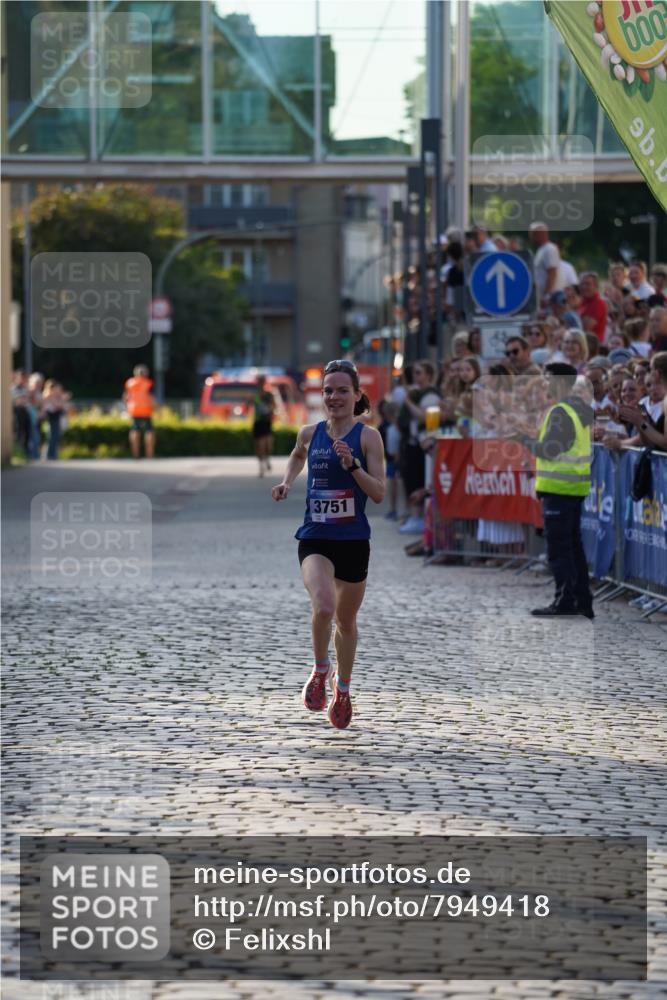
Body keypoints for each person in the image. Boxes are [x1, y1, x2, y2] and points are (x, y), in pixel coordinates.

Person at [271, 359, 385, 730]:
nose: (334, 397)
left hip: (353, 540)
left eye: (342, 390)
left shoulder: (368, 437)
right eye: (328, 390)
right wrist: (287, 481)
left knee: (346, 621)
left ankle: (344, 688)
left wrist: (353, 466)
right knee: (323, 605)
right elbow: (297, 454)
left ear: (356, 395)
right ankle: (321, 670)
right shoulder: (310, 432)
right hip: (315, 537)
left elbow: (380, 494)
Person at [522, 363, 594, 619]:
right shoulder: (579, 409)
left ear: (562, 383)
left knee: (560, 549)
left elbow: (549, 450)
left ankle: (565, 600)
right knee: (573, 547)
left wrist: (524, 440)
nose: (544, 384)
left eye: (548, 379)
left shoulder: (561, 411)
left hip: (559, 489)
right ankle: (582, 601)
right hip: (573, 487)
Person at [123, 364, 155, 459]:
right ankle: (150, 455)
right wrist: (157, 408)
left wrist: (127, 407)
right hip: (146, 410)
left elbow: (126, 397)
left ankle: (135, 455)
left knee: (134, 431)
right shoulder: (148, 383)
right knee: (149, 432)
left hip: (134, 410)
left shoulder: (129, 383)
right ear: (145, 374)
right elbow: (152, 398)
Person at [529, 222, 563, 304]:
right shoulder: (541, 250)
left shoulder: (549, 249)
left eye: (533, 234)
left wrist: (547, 296)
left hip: (550, 300)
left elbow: (552, 273)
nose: (531, 237)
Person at [252, 375, 276, 477]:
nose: (260, 383)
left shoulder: (269, 395)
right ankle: (261, 467)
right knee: (259, 446)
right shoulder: (255, 395)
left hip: (267, 422)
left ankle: (267, 459)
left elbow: (273, 406)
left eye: (262, 381)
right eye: (259, 381)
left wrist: (270, 410)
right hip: (258, 422)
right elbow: (247, 405)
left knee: (268, 445)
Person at [43, 380, 71, 460]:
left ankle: (53, 454)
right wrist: (63, 399)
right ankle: (49, 455)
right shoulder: (48, 395)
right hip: (51, 417)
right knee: (51, 436)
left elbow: (62, 407)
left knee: (55, 436)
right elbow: (59, 406)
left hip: (55, 417)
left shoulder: (55, 397)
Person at [577, 272, 608, 342]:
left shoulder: (598, 303)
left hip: (592, 346)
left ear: (595, 286)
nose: (584, 287)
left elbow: (585, 328)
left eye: (588, 284)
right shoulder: (581, 302)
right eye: (582, 284)